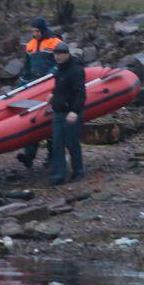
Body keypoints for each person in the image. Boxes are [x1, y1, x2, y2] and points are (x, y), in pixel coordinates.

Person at [15, 16, 62, 169]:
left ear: (43, 29)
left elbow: (60, 63)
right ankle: (29, 155)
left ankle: (52, 156)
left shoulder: (55, 43)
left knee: (49, 120)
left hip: (49, 85)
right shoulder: (30, 45)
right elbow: (26, 68)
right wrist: (22, 84)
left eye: (37, 31)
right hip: (34, 86)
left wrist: (51, 74)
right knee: (32, 119)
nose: (35, 34)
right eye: (33, 31)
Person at [48, 42, 86, 185]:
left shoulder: (76, 70)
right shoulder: (59, 70)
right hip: (58, 111)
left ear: (66, 54)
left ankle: (78, 171)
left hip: (70, 111)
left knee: (72, 143)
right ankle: (59, 175)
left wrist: (75, 111)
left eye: (59, 54)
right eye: (55, 54)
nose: (57, 57)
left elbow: (80, 93)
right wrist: (53, 94)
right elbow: (60, 87)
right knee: (57, 144)